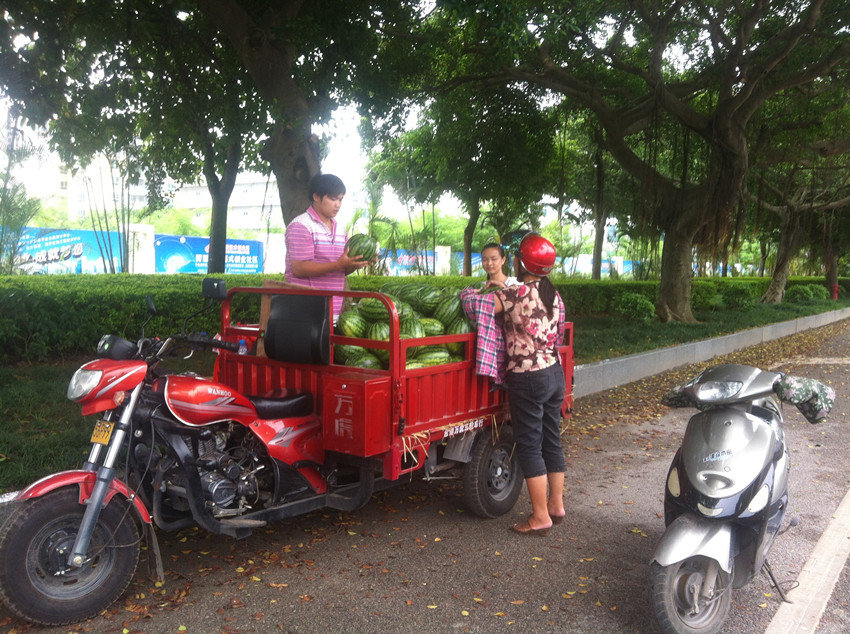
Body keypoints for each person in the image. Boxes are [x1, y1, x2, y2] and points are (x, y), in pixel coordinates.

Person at [493, 232, 567, 536]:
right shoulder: (555, 295)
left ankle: (539, 517)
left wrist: (486, 291)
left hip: (528, 377)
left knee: (529, 445)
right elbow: (558, 334)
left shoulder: (516, 293)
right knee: (551, 439)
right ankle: (556, 505)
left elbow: (477, 309)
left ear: (520, 262)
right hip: (554, 373)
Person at [285, 173, 370, 318]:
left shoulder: (341, 230)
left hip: (333, 310)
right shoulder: (301, 225)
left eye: (340, 199)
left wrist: (356, 263)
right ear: (316, 197)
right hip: (304, 311)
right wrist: (338, 264)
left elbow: (340, 270)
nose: (338, 204)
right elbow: (299, 268)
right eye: (333, 199)